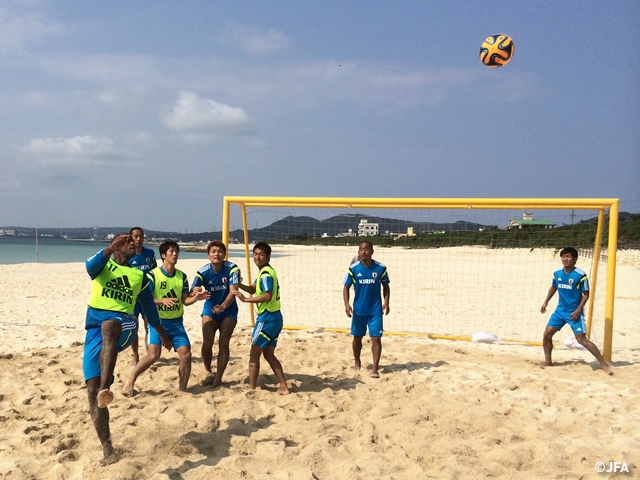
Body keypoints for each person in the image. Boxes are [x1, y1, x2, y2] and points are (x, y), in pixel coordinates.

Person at [83, 233, 172, 465]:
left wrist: (161, 333)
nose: (133, 243)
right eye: (128, 241)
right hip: (94, 330)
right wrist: (110, 248)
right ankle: (108, 450)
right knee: (91, 394)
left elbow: (149, 308)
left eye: (135, 241)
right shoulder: (104, 263)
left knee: (110, 325)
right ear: (118, 245)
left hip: (125, 324)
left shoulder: (139, 276)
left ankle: (106, 387)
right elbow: (90, 267)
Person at [124, 241, 208, 395]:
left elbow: (185, 300)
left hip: (176, 324)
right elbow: (143, 299)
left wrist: (196, 297)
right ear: (163, 255)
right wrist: (161, 301)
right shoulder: (152, 275)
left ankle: (182, 389)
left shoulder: (181, 276)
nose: (175, 254)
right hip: (157, 323)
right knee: (154, 355)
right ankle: (130, 381)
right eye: (171, 252)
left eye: (176, 251)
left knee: (186, 354)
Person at [540, 247, 613, 374]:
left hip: (575, 313)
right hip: (560, 311)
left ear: (574, 259)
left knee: (582, 340)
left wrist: (578, 310)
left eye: (568, 257)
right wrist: (546, 301)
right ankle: (548, 361)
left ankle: (603, 364)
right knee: (547, 334)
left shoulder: (580, 275)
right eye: (563, 256)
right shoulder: (557, 274)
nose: (565, 259)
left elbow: (586, 294)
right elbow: (553, 287)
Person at [233, 242, 290, 395]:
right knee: (269, 354)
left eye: (261, 254)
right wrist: (240, 285)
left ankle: (252, 389)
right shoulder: (266, 271)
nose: (257, 257)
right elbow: (253, 288)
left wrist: (245, 300)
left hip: (266, 319)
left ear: (268, 257)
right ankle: (283, 386)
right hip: (276, 317)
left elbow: (267, 295)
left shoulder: (265, 274)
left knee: (254, 354)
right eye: (255, 254)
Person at [191, 240, 241, 388]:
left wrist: (223, 306)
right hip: (210, 310)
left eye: (219, 251)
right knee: (207, 342)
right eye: (213, 251)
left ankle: (218, 377)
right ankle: (208, 371)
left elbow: (233, 291)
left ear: (224, 254)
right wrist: (197, 292)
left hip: (228, 309)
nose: (216, 254)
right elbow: (194, 289)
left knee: (223, 342)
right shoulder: (203, 271)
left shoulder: (232, 268)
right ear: (208, 255)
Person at [343, 240, 390, 378]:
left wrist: (386, 302)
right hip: (358, 310)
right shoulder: (353, 269)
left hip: (375, 311)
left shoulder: (380, 268)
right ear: (358, 252)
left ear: (372, 251)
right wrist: (347, 305)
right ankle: (357, 362)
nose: (363, 251)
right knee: (357, 338)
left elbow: (386, 286)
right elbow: (345, 287)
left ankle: (374, 368)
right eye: (361, 249)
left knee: (376, 338)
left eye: (366, 249)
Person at [128, 227, 158, 365]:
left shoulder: (150, 253)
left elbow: (155, 273)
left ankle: (148, 353)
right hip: (133, 298)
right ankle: (135, 354)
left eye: (140, 236)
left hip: (147, 296)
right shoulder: (127, 255)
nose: (138, 239)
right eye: (135, 236)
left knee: (149, 325)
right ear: (131, 238)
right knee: (133, 327)